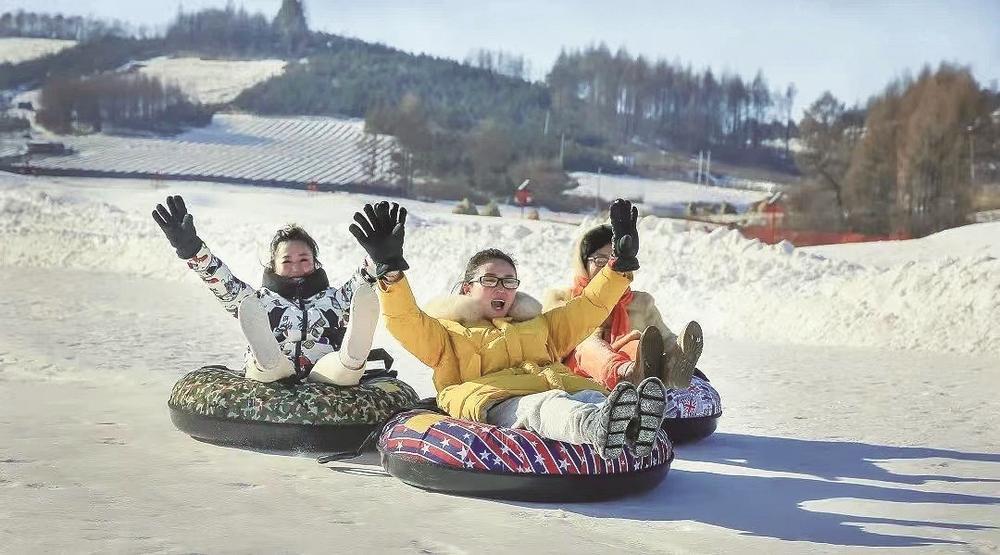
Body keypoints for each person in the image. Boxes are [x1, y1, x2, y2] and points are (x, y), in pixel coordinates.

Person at [349, 198, 669, 460]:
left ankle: (633, 426)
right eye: (489, 280)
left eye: (509, 281)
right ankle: (597, 427)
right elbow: (404, 321)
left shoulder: (539, 324)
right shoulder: (447, 333)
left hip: (555, 386)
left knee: (585, 394)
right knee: (543, 407)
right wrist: (390, 274)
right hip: (495, 399)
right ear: (466, 289)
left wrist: (617, 267)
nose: (500, 289)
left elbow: (589, 307)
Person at [152, 195, 378, 385]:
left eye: (304, 259)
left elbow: (366, 277)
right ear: (274, 266)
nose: (296, 266)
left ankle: (351, 356)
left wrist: (380, 255)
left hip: (324, 374)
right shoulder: (259, 301)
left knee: (340, 364)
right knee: (270, 363)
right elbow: (222, 282)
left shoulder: (335, 300)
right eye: (287, 261)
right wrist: (192, 249)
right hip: (273, 377)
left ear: (316, 262)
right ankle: (267, 358)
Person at [542, 223, 704, 390]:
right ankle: (624, 375)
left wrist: (679, 353)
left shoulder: (640, 303)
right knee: (588, 345)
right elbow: (551, 343)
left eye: (613, 260)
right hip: (578, 372)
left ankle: (669, 374)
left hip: (631, 367)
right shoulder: (563, 300)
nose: (607, 267)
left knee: (639, 345)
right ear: (583, 263)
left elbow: (665, 336)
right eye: (600, 260)